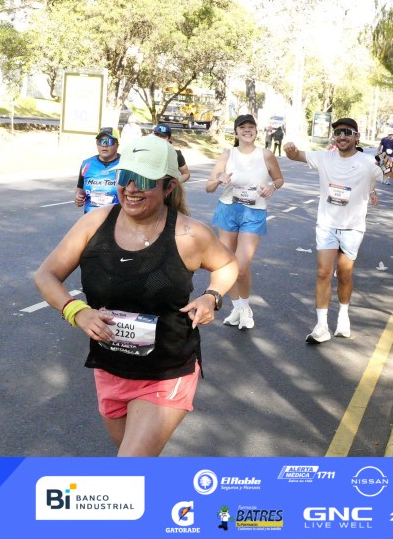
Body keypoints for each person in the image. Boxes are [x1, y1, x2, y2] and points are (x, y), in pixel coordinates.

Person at [34, 135, 238, 456]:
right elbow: (46, 275)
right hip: (110, 368)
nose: (131, 188)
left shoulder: (189, 234)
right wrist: (76, 310)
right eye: (125, 176)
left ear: (168, 187)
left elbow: (227, 264)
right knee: (140, 468)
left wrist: (211, 296)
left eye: (143, 180)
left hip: (166, 371)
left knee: (129, 465)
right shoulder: (94, 223)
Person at [283, 117, 393, 344]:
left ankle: (343, 316)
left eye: (347, 132)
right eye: (338, 133)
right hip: (326, 224)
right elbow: (296, 155)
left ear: (356, 136)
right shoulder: (324, 157)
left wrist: (388, 163)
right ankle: (321, 326)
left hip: (352, 227)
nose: (342, 136)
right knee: (323, 273)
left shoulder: (369, 161)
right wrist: (290, 150)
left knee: (345, 274)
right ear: (334, 137)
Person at [205, 114, 284, 329]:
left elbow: (279, 179)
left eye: (251, 127)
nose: (247, 130)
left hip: (254, 212)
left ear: (256, 131)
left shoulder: (266, 154)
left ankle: (244, 307)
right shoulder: (227, 154)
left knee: (240, 266)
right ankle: (238, 309)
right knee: (226, 263)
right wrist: (219, 179)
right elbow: (209, 187)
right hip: (228, 209)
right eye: (242, 127)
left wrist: (272, 187)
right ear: (236, 132)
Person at [75, 128, 121, 213]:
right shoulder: (86, 164)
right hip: (90, 217)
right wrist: (78, 198)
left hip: (116, 217)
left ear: (117, 145)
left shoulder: (125, 165)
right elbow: (80, 189)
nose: (104, 145)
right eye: (101, 141)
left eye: (109, 141)